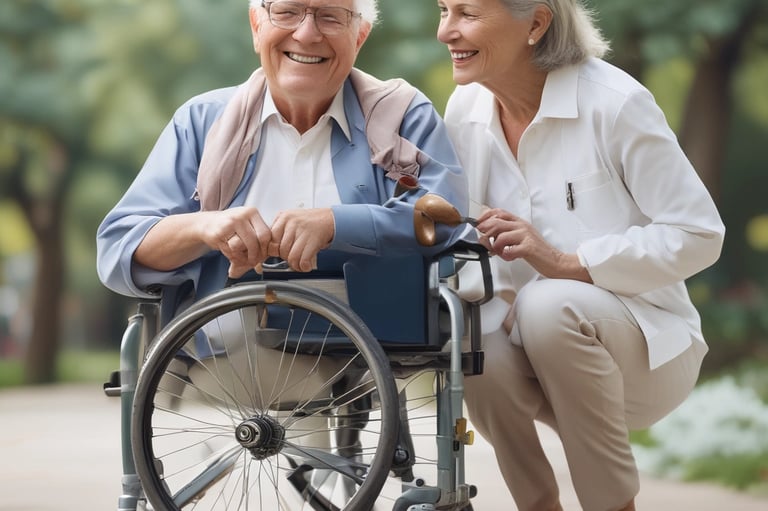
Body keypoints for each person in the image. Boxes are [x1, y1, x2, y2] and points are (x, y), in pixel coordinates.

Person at [436, 1, 725, 510]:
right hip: (527, 352)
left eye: (467, 13)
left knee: (548, 304)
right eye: (443, 9)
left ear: (537, 23)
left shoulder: (615, 102)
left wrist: (566, 261)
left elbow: (699, 232)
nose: (446, 31)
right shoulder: (465, 109)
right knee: (467, 333)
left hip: (646, 351)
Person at [96, 0, 468, 319]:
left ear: (360, 36)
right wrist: (205, 227)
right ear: (257, 26)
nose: (307, 34)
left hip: (377, 346)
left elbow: (445, 217)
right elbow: (120, 247)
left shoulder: (402, 114)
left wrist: (335, 224)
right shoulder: (202, 121)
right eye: (287, 11)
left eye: (331, 16)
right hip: (234, 346)